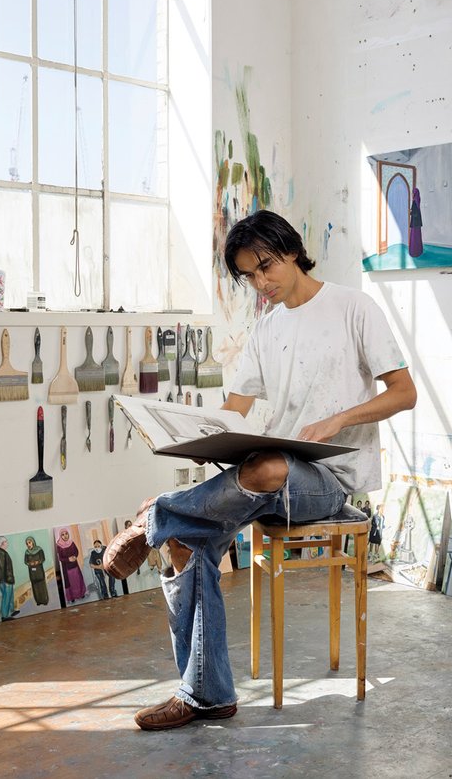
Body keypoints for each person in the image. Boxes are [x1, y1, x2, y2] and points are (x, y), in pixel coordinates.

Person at [104, 210, 416, 731]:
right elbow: (236, 407)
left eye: (265, 267)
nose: (260, 283)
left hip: (329, 482)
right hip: (267, 476)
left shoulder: (353, 308)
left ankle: (154, 514)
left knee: (268, 466)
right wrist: (201, 435)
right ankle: (205, 694)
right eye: (249, 275)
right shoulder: (267, 328)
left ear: (291, 250)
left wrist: (338, 419)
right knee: (188, 541)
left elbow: (404, 393)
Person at [0, 537, 18, 621]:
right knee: (7, 596)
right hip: (5, 580)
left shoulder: (0, 552)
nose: (7, 543)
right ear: (1, 543)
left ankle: (11, 610)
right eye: (5, 542)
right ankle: (5, 616)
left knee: (10, 595)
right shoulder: (0, 553)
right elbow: (2, 569)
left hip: (6, 579)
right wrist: (8, 579)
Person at [56, 529, 87, 604]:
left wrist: (75, 557)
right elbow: (60, 558)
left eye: (66, 533)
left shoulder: (72, 543)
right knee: (71, 582)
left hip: (75, 566)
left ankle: (81, 594)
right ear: (60, 536)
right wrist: (68, 559)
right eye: (62, 534)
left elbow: (76, 551)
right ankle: (72, 597)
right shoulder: (59, 546)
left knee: (78, 580)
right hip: (67, 568)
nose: (65, 536)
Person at [24, 536, 50, 606]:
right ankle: (38, 601)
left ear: (33, 542)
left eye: (29, 542)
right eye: (27, 544)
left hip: (39, 571)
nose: (28, 544)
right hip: (32, 573)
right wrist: (30, 563)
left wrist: (37, 562)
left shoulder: (39, 549)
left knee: (42, 586)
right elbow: (25, 561)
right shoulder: (27, 552)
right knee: (35, 587)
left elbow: (43, 558)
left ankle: (44, 600)